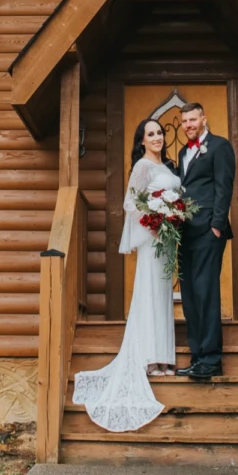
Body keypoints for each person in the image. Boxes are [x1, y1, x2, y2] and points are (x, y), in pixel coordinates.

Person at [70, 119, 179, 431]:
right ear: (142, 140)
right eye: (151, 134)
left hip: (168, 239)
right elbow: (131, 202)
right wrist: (155, 220)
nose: (157, 138)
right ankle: (149, 357)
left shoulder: (167, 165)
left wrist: (172, 217)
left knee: (162, 295)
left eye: (159, 133)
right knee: (149, 293)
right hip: (153, 239)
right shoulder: (143, 166)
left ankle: (164, 357)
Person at [174, 102, 234, 379]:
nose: (188, 125)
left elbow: (224, 187)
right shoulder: (183, 152)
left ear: (204, 118)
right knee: (189, 296)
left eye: (193, 119)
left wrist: (217, 227)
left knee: (206, 292)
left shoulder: (219, 146)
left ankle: (211, 359)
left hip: (209, 232)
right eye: (184, 121)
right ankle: (197, 356)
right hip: (185, 234)